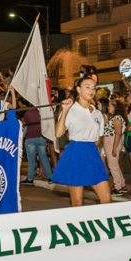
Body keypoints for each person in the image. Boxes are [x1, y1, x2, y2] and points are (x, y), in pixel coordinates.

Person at [51, 76, 111, 206]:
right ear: (78, 89)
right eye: (87, 87)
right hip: (76, 153)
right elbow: (58, 133)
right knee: (78, 203)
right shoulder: (71, 110)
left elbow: (98, 138)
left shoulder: (97, 113)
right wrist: (65, 111)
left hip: (93, 154)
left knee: (106, 198)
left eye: (93, 88)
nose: (91, 90)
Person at [21, 104, 53, 185]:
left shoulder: (27, 113)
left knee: (31, 159)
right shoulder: (41, 112)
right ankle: (50, 177)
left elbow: (25, 124)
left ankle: (30, 178)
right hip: (41, 137)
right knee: (44, 158)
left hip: (30, 138)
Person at [102, 99, 128, 196]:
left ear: (115, 108)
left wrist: (114, 148)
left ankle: (118, 187)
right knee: (115, 165)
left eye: (110, 106)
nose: (108, 107)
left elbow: (118, 133)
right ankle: (122, 184)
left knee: (113, 166)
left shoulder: (117, 118)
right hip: (111, 141)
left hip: (112, 141)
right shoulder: (114, 117)